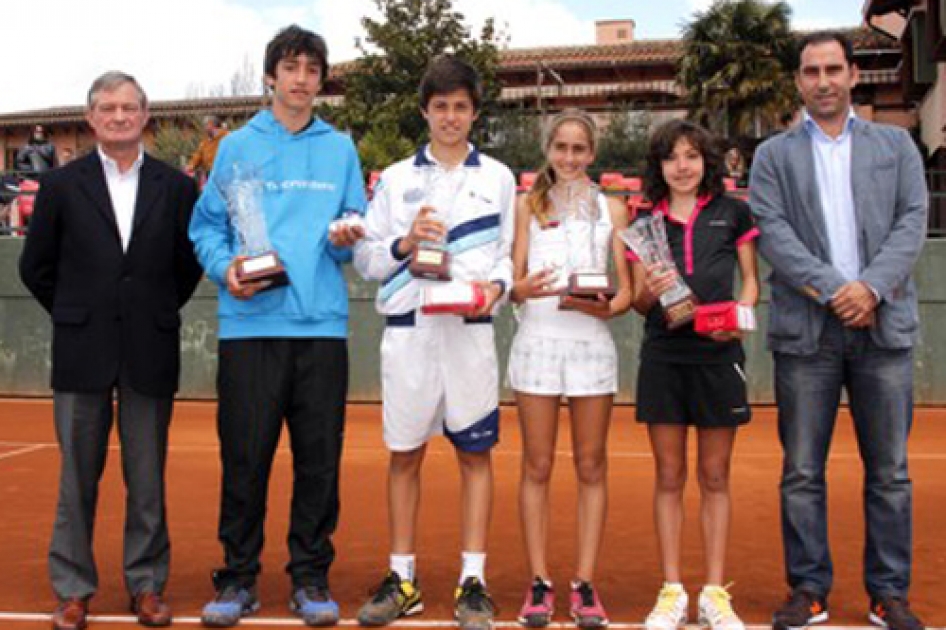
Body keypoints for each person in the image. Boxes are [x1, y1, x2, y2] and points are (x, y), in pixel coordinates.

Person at [188, 25, 366, 628]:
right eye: (290, 67)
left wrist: (347, 237)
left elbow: (353, 231)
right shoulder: (236, 146)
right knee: (245, 459)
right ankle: (237, 578)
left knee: (320, 462)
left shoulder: (341, 148)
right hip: (250, 328)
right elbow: (206, 228)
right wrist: (225, 268)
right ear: (271, 76)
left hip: (321, 328)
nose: (300, 79)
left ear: (321, 81)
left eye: (312, 70)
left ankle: (310, 576)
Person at [749, 31, 928, 630]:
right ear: (799, 81)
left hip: (885, 331)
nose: (822, 81)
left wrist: (870, 288)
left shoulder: (897, 146)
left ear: (853, 74)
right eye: (810, 71)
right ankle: (809, 590)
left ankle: (888, 593)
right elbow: (773, 234)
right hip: (807, 335)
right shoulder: (772, 156)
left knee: (891, 473)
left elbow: (912, 223)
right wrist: (837, 292)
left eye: (832, 69)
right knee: (801, 472)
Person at [18, 71, 204, 630]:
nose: (119, 116)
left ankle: (147, 585)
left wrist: (150, 308)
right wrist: (78, 312)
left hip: (150, 345)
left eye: (129, 107)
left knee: (147, 478)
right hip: (82, 349)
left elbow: (187, 265)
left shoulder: (176, 186)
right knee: (77, 477)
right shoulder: (59, 185)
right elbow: (36, 268)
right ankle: (73, 589)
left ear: (145, 116)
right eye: (108, 108)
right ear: (92, 118)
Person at [352, 55, 515, 630]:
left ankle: (474, 580)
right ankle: (403, 578)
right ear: (425, 111)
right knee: (405, 455)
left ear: (474, 112)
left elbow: (506, 259)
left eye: (461, 107)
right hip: (410, 335)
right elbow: (367, 257)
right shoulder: (395, 179)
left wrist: (498, 287)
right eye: (441, 107)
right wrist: (402, 244)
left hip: (469, 334)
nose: (450, 117)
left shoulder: (497, 177)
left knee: (476, 455)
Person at [629, 120, 759, 630]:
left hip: (717, 356)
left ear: (705, 160)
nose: (681, 166)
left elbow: (750, 283)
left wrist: (737, 320)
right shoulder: (644, 223)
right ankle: (671, 591)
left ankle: (713, 593)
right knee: (668, 475)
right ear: (659, 167)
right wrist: (650, 289)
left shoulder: (733, 212)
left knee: (715, 476)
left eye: (690, 155)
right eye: (670, 158)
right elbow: (640, 302)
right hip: (664, 354)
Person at [506, 108, 631, 629]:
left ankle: (584, 582)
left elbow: (625, 290)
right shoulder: (525, 205)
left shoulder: (613, 209)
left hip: (590, 346)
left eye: (580, 149)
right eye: (561, 147)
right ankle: (539, 581)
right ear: (548, 150)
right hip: (537, 341)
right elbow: (512, 280)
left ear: (593, 154)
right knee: (536, 465)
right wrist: (524, 288)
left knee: (591, 465)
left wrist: (608, 305)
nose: (570, 157)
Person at [186, 115, 229, 182]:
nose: (204, 128)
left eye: (206, 125)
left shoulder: (226, 137)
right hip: (209, 174)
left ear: (213, 125)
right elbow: (198, 155)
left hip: (223, 173)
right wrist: (190, 166)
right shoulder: (205, 141)